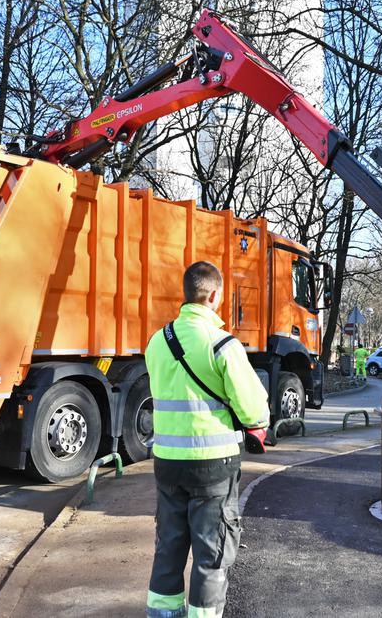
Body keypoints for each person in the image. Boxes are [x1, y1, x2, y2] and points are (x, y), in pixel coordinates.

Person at [144, 261, 271, 618]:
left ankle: (162, 613)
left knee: (168, 545)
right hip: (213, 466)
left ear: (187, 294)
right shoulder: (222, 344)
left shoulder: (157, 342)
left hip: (167, 462)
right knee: (211, 553)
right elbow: (253, 411)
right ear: (214, 295)